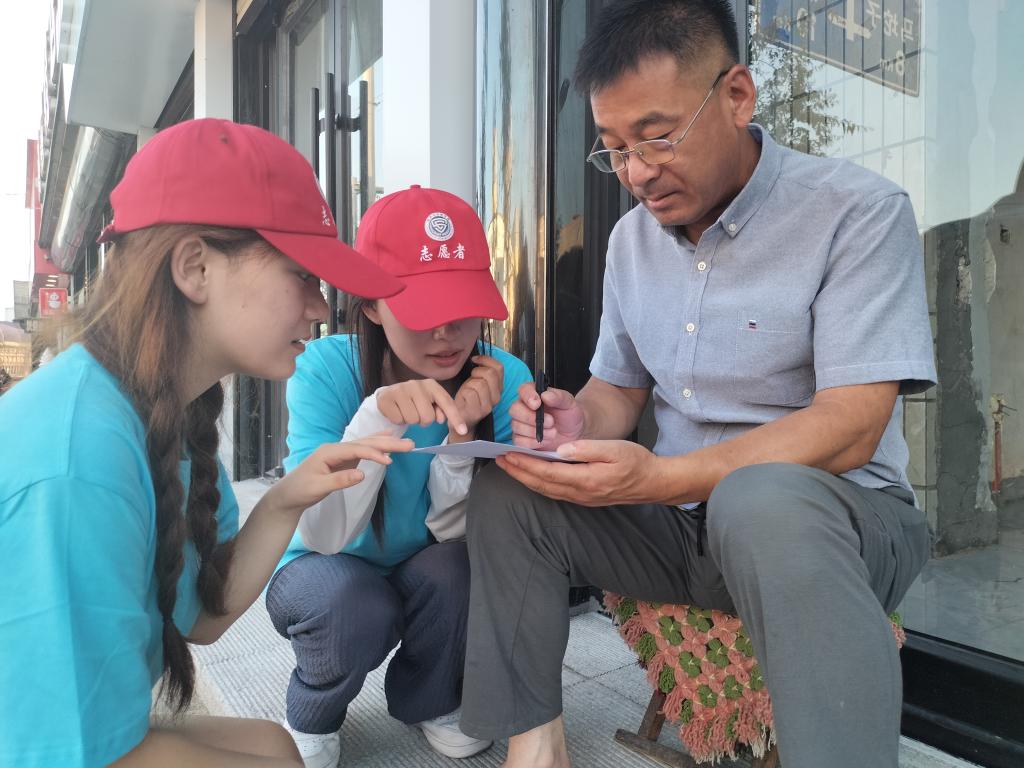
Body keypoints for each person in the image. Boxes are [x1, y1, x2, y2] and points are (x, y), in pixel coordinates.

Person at [457, 2, 937, 768]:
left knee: (759, 498)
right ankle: (534, 744)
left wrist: (662, 477)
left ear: (737, 96)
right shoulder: (630, 241)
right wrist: (572, 421)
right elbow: (617, 392)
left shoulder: (858, 212)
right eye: (614, 149)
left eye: (657, 137)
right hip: (682, 528)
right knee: (511, 487)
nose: (636, 173)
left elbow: (852, 424)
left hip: (836, 526)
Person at [0, 118, 415, 768]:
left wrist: (286, 499)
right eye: (301, 274)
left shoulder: (166, 410)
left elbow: (200, 618)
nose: (319, 307)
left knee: (276, 745)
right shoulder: (79, 458)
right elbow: (71, 756)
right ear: (195, 268)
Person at [265, 185, 533, 768]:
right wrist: (375, 419)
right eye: (423, 308)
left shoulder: (503, 377)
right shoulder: (324, 369)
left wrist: (461, 440)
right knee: (348, 600)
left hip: (429, 565)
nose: (447, 332)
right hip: (320, 568)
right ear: (370, 306)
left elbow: (468, 537)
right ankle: (312, 712)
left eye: (462, 304)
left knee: (459, 568)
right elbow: (323, 534)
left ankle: (433, 698)